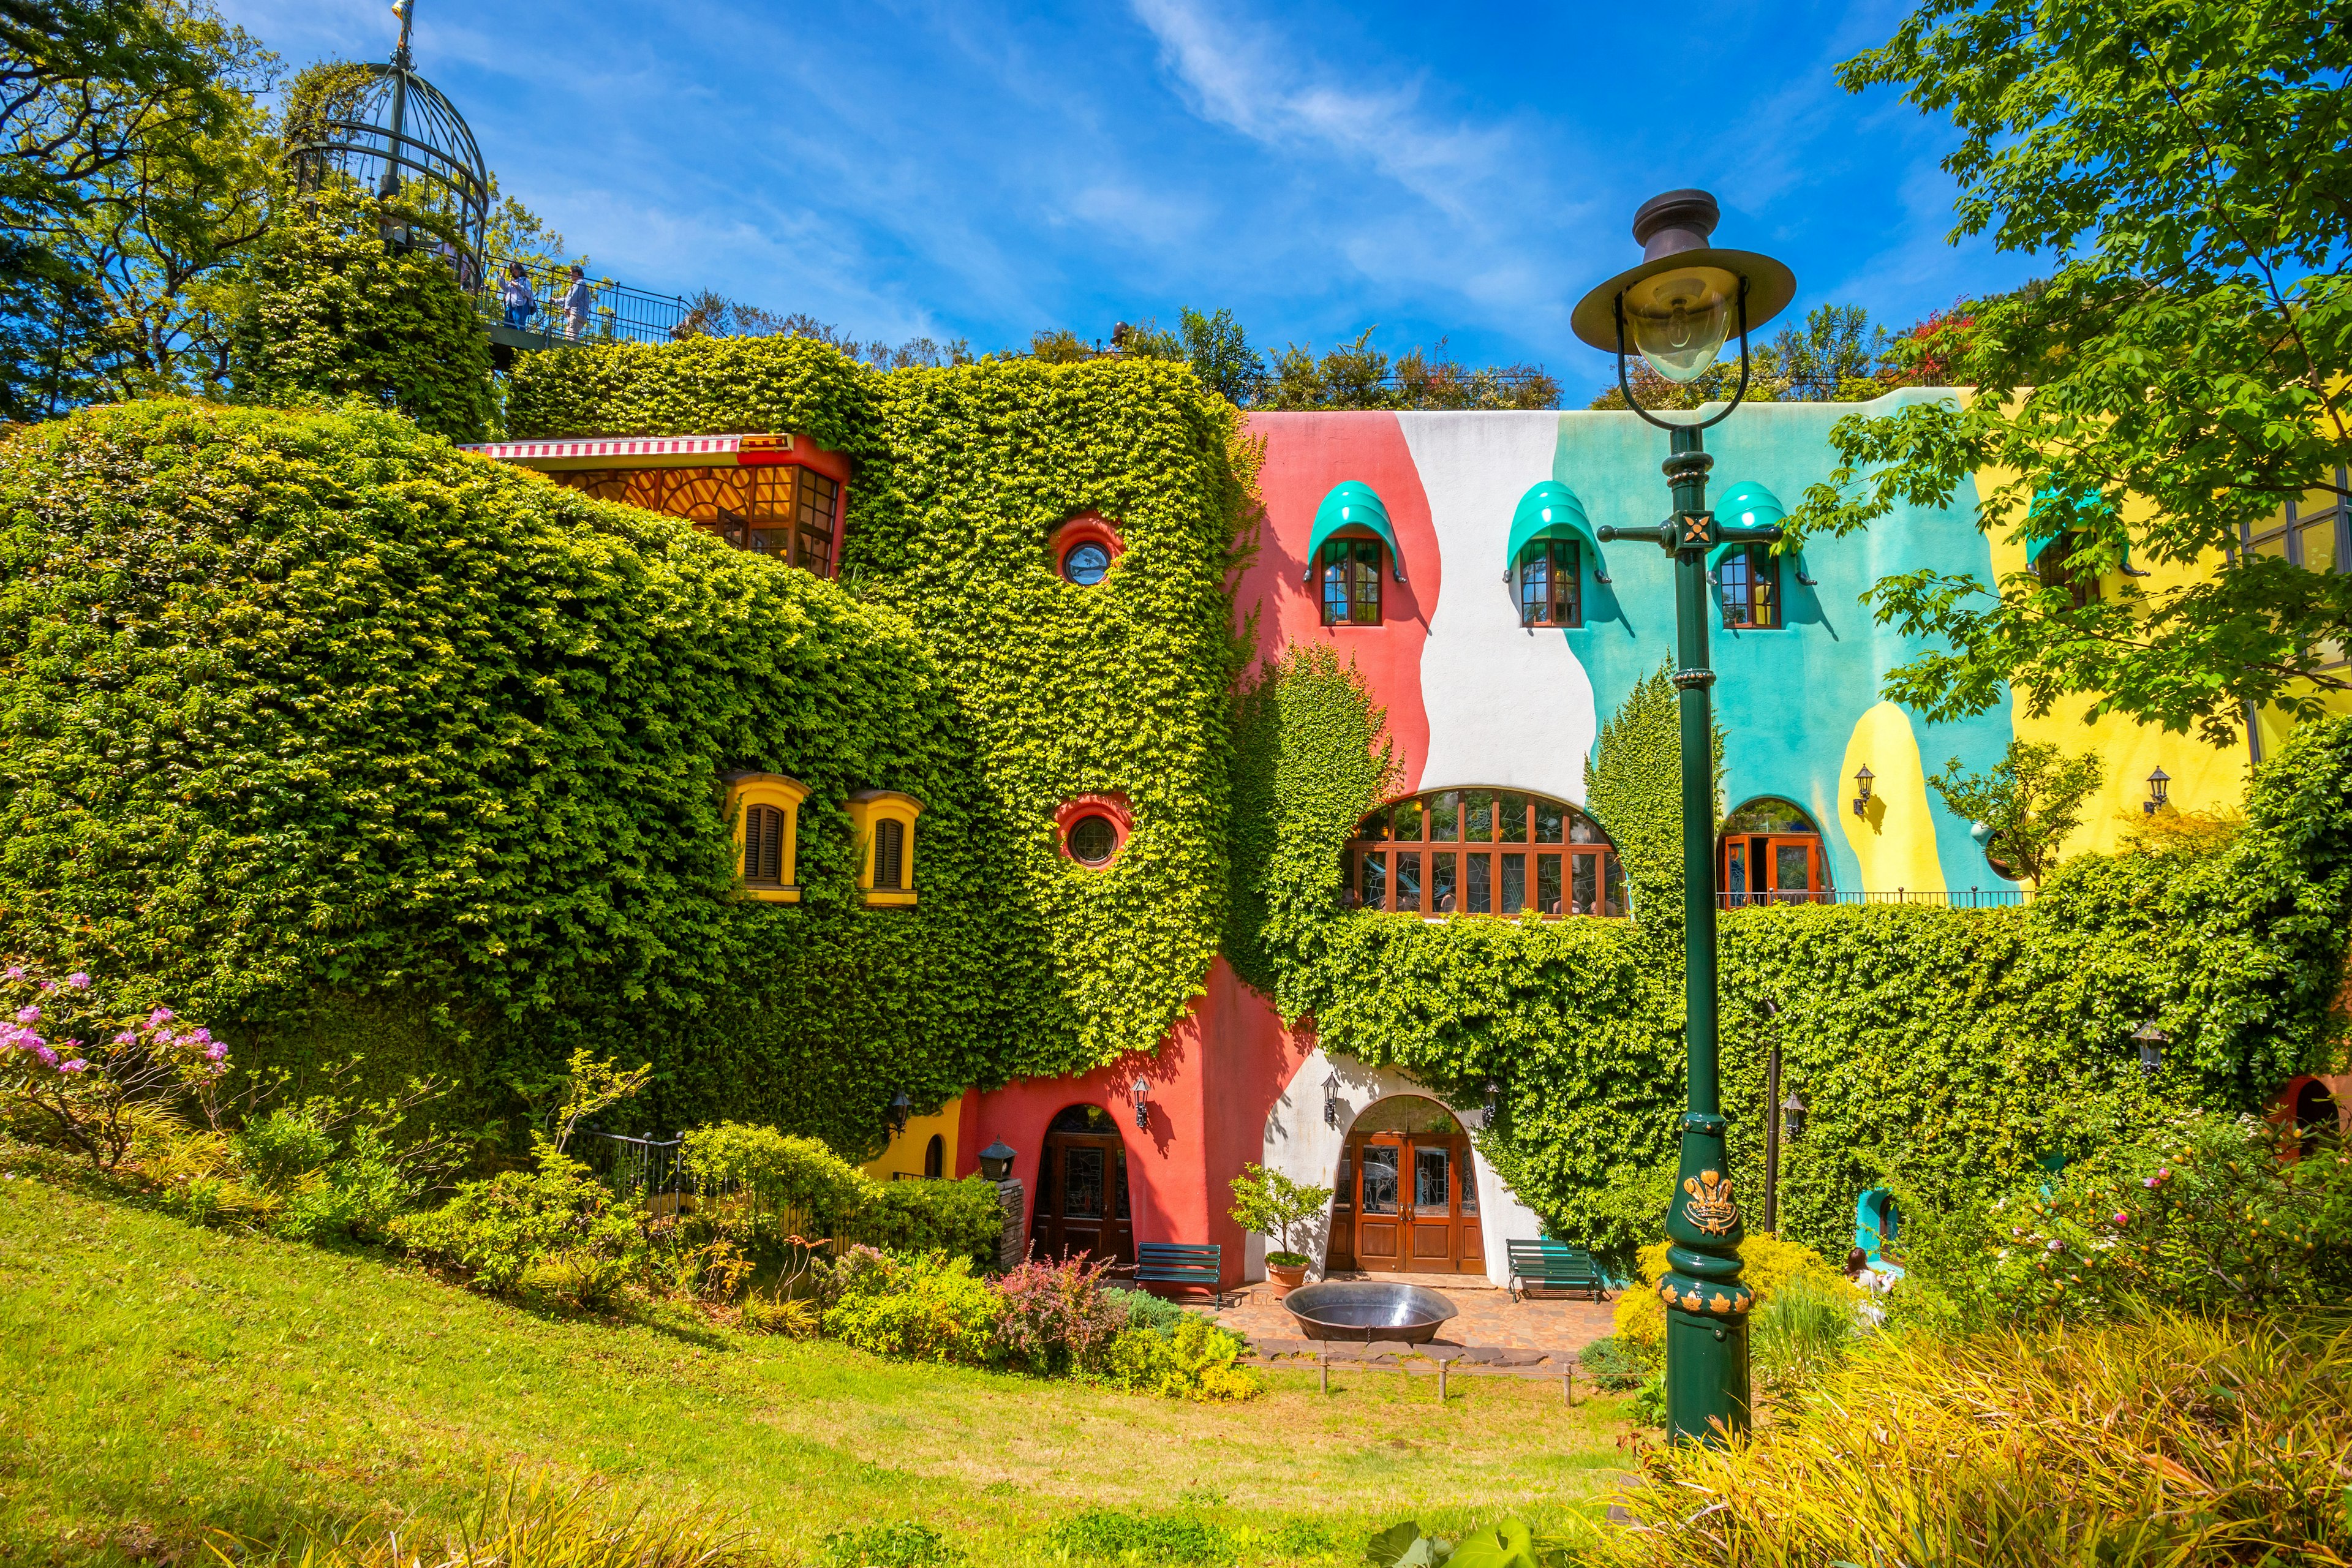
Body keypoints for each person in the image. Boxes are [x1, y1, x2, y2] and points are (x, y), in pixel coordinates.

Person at [500, 262, 535, 330]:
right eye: (512, 270)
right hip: (509, 306)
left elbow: (529, 293)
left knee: (520, 326)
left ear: (519, 269)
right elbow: (502, 285)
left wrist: (517, 286)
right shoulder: (512, 282)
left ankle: (521, 339)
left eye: (515, 269)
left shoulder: (525, 280)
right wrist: (503, 272)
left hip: (520, 306)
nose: (513, 271)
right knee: (507, 327)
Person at [562, 265, 592, 341]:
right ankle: (574, 350)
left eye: (571, 273)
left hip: (577, 313)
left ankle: (575, 350)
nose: (570, 276)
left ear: (576, 274)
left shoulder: (580, 283)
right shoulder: (579, 284)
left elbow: (574, 297)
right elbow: (569, 298)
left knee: (572, 335)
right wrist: (556, 301)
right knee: (569, 332)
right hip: (579, 313)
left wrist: (567, 307)